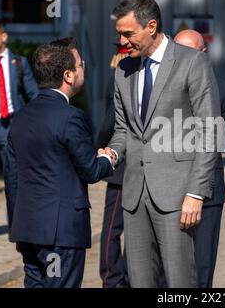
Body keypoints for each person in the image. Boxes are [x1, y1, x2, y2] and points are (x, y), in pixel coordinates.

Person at [102, 0, 221, 287]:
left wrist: (196, 192)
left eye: (128, 34)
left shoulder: (191, 62)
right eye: (119, 34)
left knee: (180, 283)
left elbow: (210, 131)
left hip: (177, 197)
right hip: (134, 197)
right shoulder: (123, 71)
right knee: (140, 282)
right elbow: (122, 131)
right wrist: (111, 156)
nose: (123, 42)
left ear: (151, 26)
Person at [4, 37, 115, 288]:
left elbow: (12, 179)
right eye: (80, 65)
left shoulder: (20, 117)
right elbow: (91, 170)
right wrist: (108, 158)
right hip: (60, 233)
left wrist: (16, 226)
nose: (82, 69)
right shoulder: (71, 117)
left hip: (28, 229)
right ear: (68, 75)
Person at [173, 29, 225, 288]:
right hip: (168, 191)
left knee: (202, 266)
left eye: (191, 53)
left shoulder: (222, 87)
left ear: (204, 55)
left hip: (209, 192)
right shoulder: (162, 87)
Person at [0, 18, 39, 193]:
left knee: (14, 178)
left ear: (3, 36)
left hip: (12, 126)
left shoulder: (19, 63)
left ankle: (15, 221)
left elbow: (33, 94)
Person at [96, 45, 130, 288]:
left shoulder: (119, 78)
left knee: (113, 228)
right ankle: (116, 278)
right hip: (123, 168)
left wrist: (97, 148)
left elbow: (109, 124)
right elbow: (111, 120)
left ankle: (114, 279)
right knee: (115, 229)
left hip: (122, 167)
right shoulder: (121, 78)